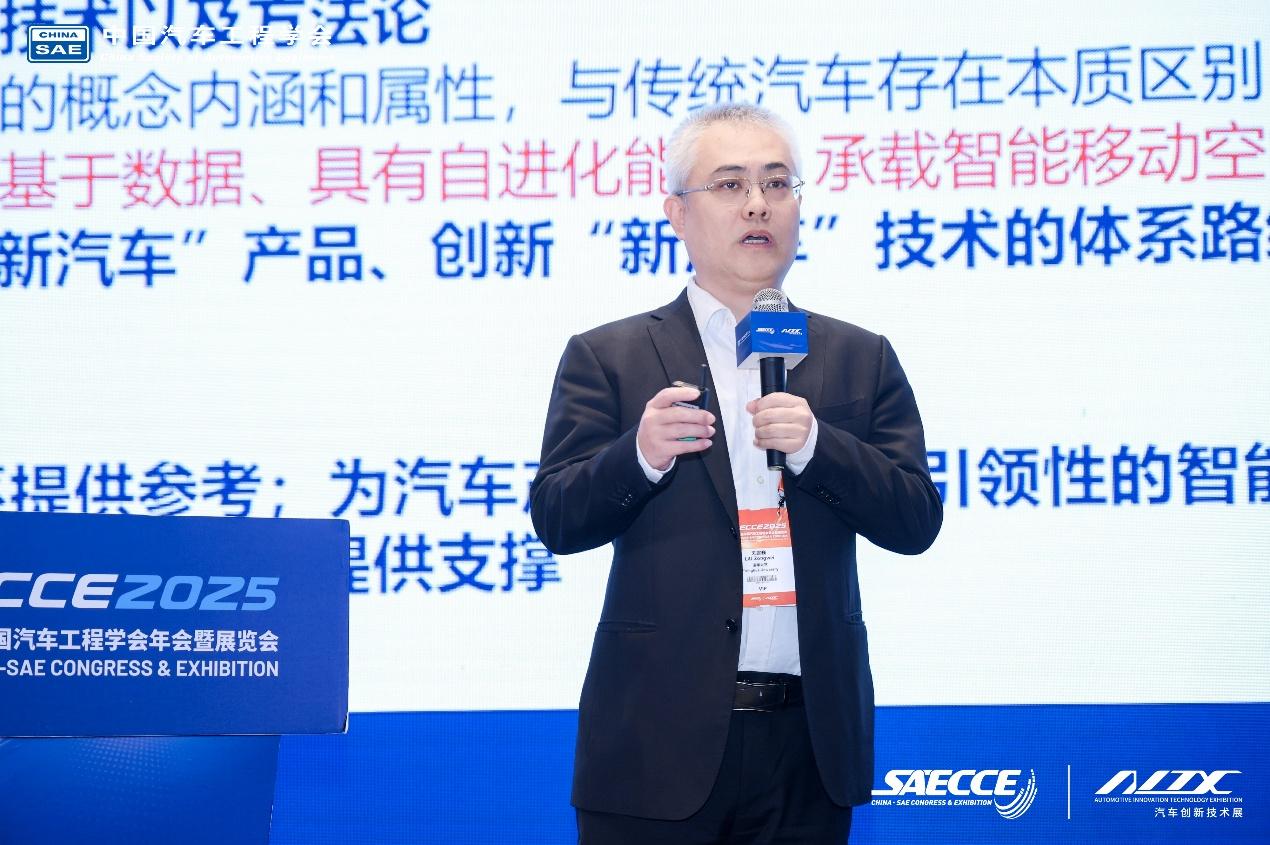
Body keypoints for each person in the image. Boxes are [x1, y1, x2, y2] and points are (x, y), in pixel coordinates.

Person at [530, 103, 942, 844]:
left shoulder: (860, 355)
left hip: (809, 745)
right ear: (677, 213)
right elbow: (557, 517)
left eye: (777, 183)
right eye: (730, 184)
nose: (758, 204)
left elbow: (915, 519)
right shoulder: (609, 357)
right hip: (655, 744)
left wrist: (818, 446)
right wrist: (640, 455)